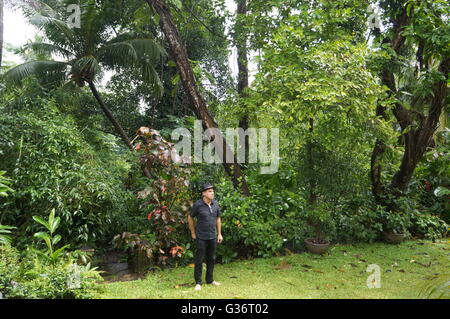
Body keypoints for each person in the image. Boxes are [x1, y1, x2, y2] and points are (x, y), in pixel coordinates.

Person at [188, 182, 223, 291]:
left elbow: (218, 219)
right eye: (209, 191)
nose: (212, 193)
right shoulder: (198, 205)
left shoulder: (215, 204)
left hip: (212, 236)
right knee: (199, 260)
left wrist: (219, 234)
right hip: (201, 237)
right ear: (204, 193)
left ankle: (210, 280)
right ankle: (198, 282)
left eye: (212, 191)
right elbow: (190, 218)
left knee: (211, 259)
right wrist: (193, 233)